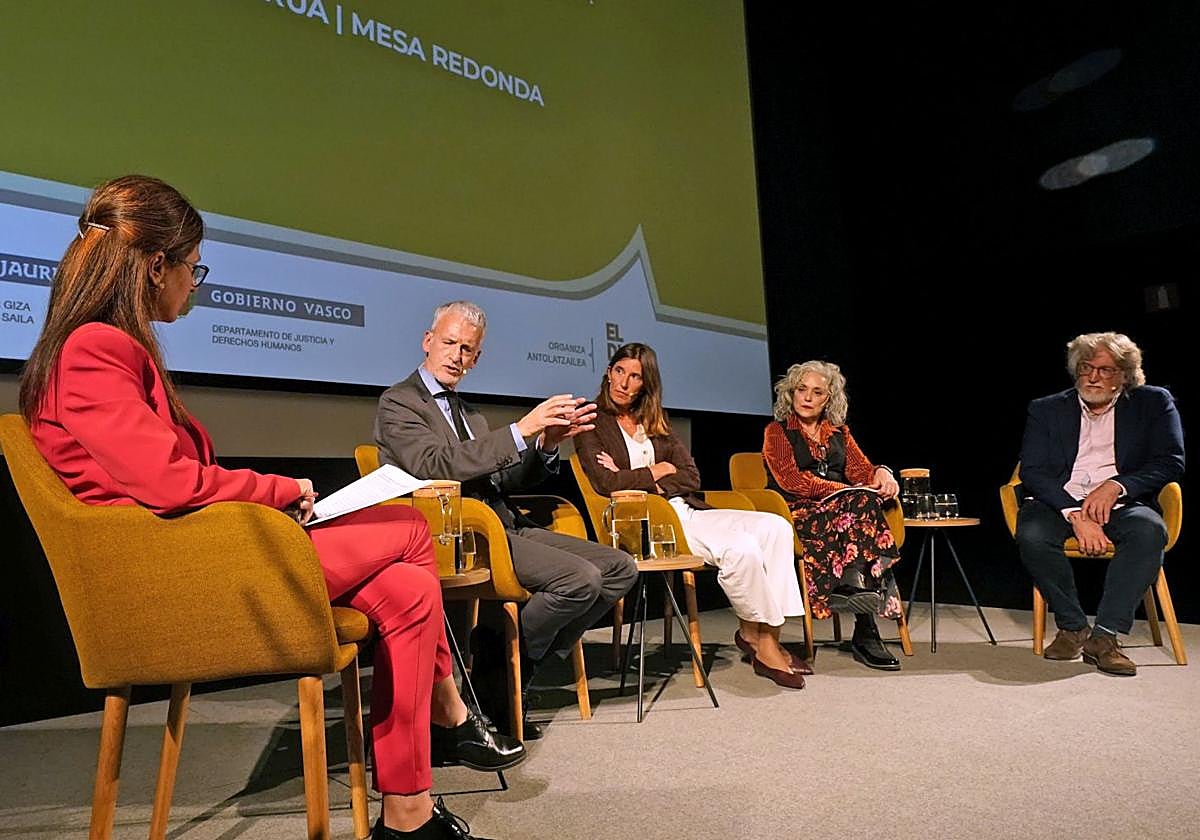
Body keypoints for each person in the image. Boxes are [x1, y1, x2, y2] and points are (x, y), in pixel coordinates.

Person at [19, 176, 514, 840]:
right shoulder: (94, 349)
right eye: (194, 267)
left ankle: (408, 809)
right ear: (157, 265)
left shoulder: (90, 347)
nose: (196, 283)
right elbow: (169, 483)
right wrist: (283, 492)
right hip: (182, 578)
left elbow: (167, 480)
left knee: (406, 590)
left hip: (199, 552)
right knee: (404, 526)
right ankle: (450, 710)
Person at [374, 301, 638, 736]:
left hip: (503, 523)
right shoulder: (400, 402)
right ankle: (502, 674)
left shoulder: (469, 413)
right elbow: (435, 464)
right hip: (461, 535)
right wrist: (520, 430)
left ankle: (509, 667)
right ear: (427, 341)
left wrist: (547, 444)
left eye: (467, 349)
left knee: (618, 568)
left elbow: (504, 477)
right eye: (449, 343)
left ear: (476, 359)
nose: (457, 355)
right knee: (580, 581)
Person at [574, 343, 808, 689]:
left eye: (635, 376)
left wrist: (644, 474)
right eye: (619, 371)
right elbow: (607, 483)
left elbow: (691, 475)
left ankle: (757, 632)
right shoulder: (591, 422)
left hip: (685, 509)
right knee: (740, 547)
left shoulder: (654, 421)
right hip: (646, 524)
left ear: (646, 384)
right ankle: (766, 646)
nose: (624, 382)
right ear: (608, 372)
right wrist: (659, 470)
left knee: (775, 526)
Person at [1015, 332, 1184, 677]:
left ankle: (1105, 637)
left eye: (1105, 370)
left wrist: (1117, 486)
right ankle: (1073, 626)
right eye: (1086, 368)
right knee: (1031, 534)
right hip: (1060, 501)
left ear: (1124, 374)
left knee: (1149, 531)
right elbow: (1032, 470)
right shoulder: (1046, 408)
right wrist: (1076, 514)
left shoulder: (1153, 402)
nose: (1092, 378)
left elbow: (1170, 461)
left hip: (1124, 501)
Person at [761, 360, 904, 671]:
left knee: (863, 507)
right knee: (859, 506)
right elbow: (793, 481)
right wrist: (844, 490)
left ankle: (854, 590)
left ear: (829, 399)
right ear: (791, 393)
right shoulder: (778, 432)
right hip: (798, 511)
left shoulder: (839, 432)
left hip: (846, 512)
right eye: (801, 390)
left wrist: (883, 473)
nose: (807, 398)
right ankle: (865, 627)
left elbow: (863, 472)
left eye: (817, 392)